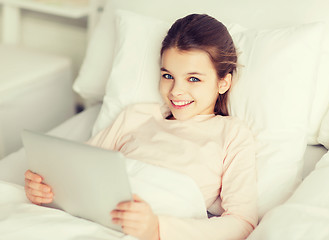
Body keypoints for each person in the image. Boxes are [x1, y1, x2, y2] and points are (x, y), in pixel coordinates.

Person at [24, 14, 258, 240]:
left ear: (223, 82)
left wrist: (157, 229)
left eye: (193, 79)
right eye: (167, 75)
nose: (176, 90)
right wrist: (45, 188)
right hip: (95, 221)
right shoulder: (136, 116)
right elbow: (79, 169)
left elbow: (242, 222)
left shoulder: (231, 134)